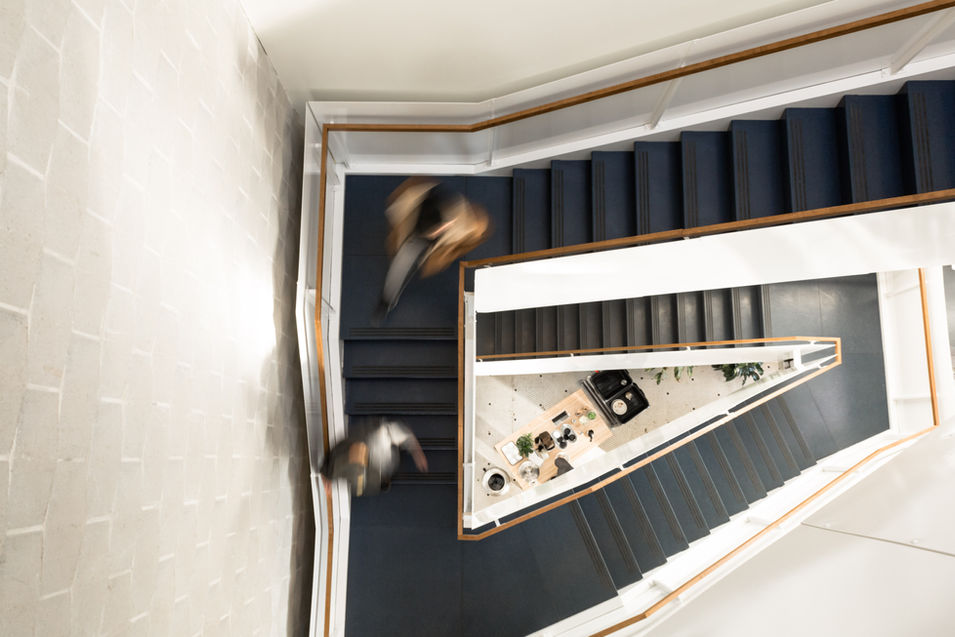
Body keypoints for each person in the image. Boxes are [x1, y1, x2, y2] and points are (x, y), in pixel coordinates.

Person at [375, 178, 491, 322]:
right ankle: (386, 301)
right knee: (399, 269)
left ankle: (389, 297)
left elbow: (473, 229)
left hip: (427, 240)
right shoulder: (420, 204)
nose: (438, 232)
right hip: (415, 240)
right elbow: (401, 208)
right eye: (436, 230)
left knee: (409, 264)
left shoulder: (462, 220)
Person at [320, 419, 428, 497]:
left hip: (368, 467)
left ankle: (330, 471)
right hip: (365, 447)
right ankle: (330, 471)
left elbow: (359, 483)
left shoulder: (369, 476)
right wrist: (418, 453)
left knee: (356, 469)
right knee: (356, 456)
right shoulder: (381, 437)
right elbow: (404, 434)